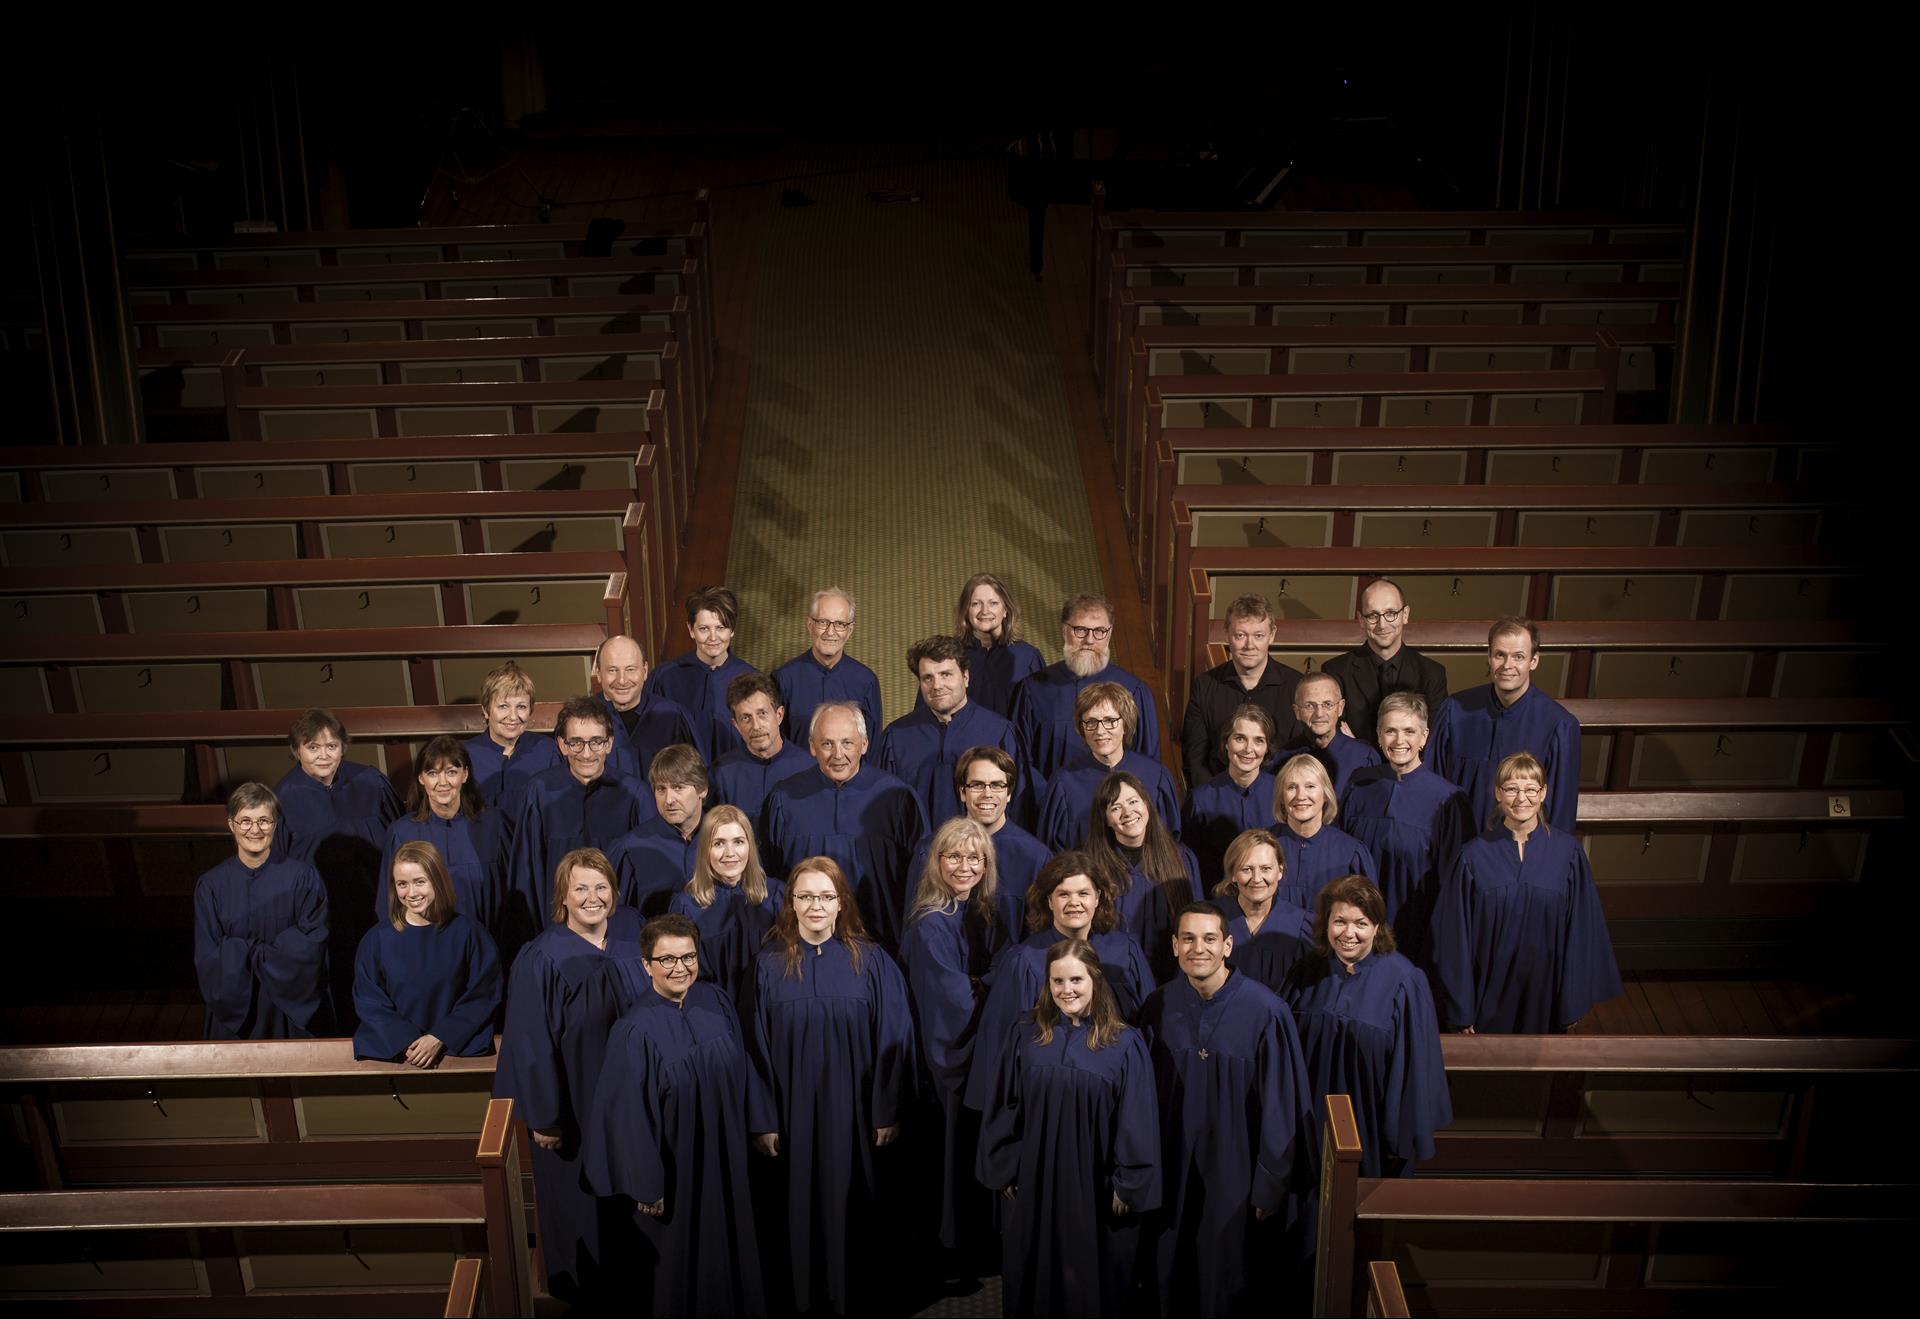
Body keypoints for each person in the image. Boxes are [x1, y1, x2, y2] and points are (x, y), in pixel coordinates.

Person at [746, 858, 916, 1317]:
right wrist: (763, 1119)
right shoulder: (768, 966)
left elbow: (894, 1039)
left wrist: (885, 1109)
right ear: (791, 904)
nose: (815, 905)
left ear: (841, 903)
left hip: (857, 1116)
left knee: (856, 1206)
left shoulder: (873, 962)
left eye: (825, 896)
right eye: (805, 896)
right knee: (797, 1212)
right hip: (792, 1117)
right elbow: (754, 1048)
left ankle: (857, 1300)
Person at [582, 913, 765, 1318]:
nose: (680, 968)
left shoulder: (714, 1000)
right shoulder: (634, 1030)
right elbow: (628, 1115)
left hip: (724, 1150)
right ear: (646, 965)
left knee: (730, 1241)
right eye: (667, 960)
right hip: (676, 1164)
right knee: (681, 1260)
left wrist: (761, 1122)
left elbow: (743, 1063)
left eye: (688, 958)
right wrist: (646, 1183)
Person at [1139, 904, 1311, 1319]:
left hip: (1236, 1166)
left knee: (1230, 1273)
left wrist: (1270, 1181)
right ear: (1175, 945)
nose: (1199, 948)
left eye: (1210, 939)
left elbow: (1281, 1104)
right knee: (1170, 1266)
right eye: (1189, 939)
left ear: (1227, 945)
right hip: (1173, 1161)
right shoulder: (1157, 1006)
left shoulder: (1266, 1011)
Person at [493, 847, 646, 1306]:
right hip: (573, 1108)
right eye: (580, 888)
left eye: (601, 887)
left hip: (629, 1105)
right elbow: (529, 1041)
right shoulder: (540, 957)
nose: (592, 897)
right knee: (579, 1209)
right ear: (563, 896)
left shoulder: (632, 945)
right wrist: (543, 1116)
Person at [976, 939, 1161, 1319]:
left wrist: (1129, 1181)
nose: (1067, 990)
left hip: (1094, 1186)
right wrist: (1006, 1164)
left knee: (1089, 1281)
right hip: (1034, 1179)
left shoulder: (1124, 1043)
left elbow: (1136, 1119)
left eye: (1076, 980)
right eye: (1057, 982)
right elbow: (1004, 1105)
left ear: (1095, 980)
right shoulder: (1026, 1033)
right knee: (1030, 1273)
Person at [1431, 752, 1622, 1034]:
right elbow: (1454, 937)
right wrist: (1462, 1008)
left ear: (1543, 793)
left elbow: (1581, 929)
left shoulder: (1567, 853)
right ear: (1497, 792)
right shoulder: (1473, 856)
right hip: (1487, 992)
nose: (1522, 798)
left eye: (1531, 789)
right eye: (1511, 789)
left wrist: (1572, 1000)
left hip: (1546, 993)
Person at [898, 817, 1012, 1269]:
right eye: (954, 856)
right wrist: (988, 988)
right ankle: (955, 1250)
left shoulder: (982, 912)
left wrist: (985, 983)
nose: (964, 866)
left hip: (981, 1052)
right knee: (951, 1151)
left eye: (974, 857)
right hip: (950, 1057)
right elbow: (952, 999)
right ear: (936, 861)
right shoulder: (930, 923)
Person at [1283, 875, 1451, 1179]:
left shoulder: (1404, 981)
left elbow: (1414, 1069)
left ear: (1377, 927)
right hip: (1307, 1124)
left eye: (1361, 923)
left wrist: (1397, 1139)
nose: (1349, 933)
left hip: (1371, 1126)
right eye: (1339, 922)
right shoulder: (1306, 972)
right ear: (1326, 924)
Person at [963, 854, 1156, 1112]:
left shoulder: (1125, 951)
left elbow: (1146, 1024)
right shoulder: (1025, 961)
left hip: (1114, 1089)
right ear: (1049, 901)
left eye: (1083, 893)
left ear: (1098, 897)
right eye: (1063, 894)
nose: (1074, 903)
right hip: (1048, 1095)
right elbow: (1001, 1043)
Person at [759, 702, 927, 952]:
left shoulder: (897, 797)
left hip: (882, 941)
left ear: (865, 744)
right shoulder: (784, 799)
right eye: (827, 743)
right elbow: (770, 875)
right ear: (812, 747)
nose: (838, 754)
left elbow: (920, 878)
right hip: (803, 944)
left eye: (847, 742)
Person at [273, 708, 402, 1027]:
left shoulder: (370, 780)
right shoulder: (283, 797)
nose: (323, 755)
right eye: (313, 747)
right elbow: (278, 864)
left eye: (331, 746)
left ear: (343, 747)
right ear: (296, 751)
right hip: (321, 907)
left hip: (374, 899)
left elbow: (401, 833)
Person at [506, 696, 653, 965]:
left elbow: (644, 878)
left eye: (596, 741)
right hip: (556, 934)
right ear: (562, 745)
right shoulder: (539, 793)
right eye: (576, 742)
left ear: (609, 743)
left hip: (618, 938)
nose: (586, 753)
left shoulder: (634, 795)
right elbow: (526, 873)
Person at [1341, 694, 1471, 969]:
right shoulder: (1359, 785)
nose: (1400, 741)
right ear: (1378, 736)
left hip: (1417, 927)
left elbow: (1451, 883)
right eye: (1391, 731)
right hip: (1357, 925)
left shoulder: (1448, 799)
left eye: (1409, 731)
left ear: (1425, 737)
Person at [193, 782, 332, 1039]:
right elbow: (207, 954)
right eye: (245, 821)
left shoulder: (303, 877)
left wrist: (245, 953)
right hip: (235, 1004)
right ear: (231, 825)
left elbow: (312, 941)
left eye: (264, 821)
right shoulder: (211, 885)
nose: (255, 830)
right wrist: (264, 955)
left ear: (275, 825)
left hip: (289, 1004)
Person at [351, 840, 501, 1063]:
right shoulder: (377, 940)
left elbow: (483, 994)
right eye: (402, 884)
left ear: (437, 881)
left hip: (455, 1052)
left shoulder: (469, 934)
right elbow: (369, 1000)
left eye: (419, 882)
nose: (411, 893)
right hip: (396, 1054)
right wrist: (406, 1040)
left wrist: (440, 1036)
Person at [1428, 616, 1580, 833]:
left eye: (1518, 656)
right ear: (1489, 657)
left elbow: (1560, 814)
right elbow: (1432, 787)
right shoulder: (1455, 711)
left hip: (1520, 854)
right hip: (1457, 848)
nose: (1508, 666)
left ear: (1534, 661)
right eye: (1500, 655)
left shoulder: (1559, 725)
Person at [1009, 592, 1161, 797]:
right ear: (1064, 630)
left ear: (1110, 633)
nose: (1089, 639)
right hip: (1050, 806)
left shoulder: (1134, 691)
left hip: (1116, 808)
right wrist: (1051, 798)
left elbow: (1147, 762)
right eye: (1080, 630)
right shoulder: (1033, 690)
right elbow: (1019, 758)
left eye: (1099, 631)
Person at [877, 634, 1021, 830]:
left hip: (982, 852)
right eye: (928, 678)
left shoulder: (999, 733)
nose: (937, 686)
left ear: (965, 677)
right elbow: (886, 812)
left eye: (946, 674)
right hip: (916, 854)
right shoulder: (897, 737)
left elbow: (1017, 809)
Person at [908, 747, 1052, 939]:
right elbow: (914, 928)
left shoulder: (1035, 858)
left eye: (997, 785)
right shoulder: (931, 850)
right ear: (962, 792)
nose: (987, 794)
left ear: (1009, 793)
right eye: (977, 785)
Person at [376, 736, 507, 939]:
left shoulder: (492, 825)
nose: (442, 782)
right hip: (424, 947)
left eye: (451, 772)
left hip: (487, 942)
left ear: (465, 775)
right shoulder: (402, 833)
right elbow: (389, 902)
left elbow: (511, 893)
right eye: (432, 773)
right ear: (421, 778)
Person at [1086, 771, 1203, 983]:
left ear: (1147, 805)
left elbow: (1197, 923)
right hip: (1113, 980)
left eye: (1133, 801)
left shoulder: (1182, 859)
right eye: (1115, 807)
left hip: (1172, 978)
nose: (1127, 812)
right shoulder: (1092, 867)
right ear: (1105, 820)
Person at [1035, 682, 1180, 851]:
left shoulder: (1157, 776)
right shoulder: (1064, 783)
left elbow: (1171, 841)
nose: (1100, 731)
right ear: (1082, 729)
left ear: (1125, 725)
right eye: (1091, 722)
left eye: (1110, 721)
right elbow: (1051, 850)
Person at [668, 805, 784, 1012]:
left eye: (738, 842)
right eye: (719, 843)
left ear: (750, 846)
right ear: (705, 850)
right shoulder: (686, 905)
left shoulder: (776, 896)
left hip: (770, 1006)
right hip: (712, 1010)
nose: (730, 853)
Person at [1180, 594, 1302, 784]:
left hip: (1279, 800)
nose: (1249, 645)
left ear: (1272, 635)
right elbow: (1194, 760)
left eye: (1258, 636)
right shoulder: (1204, 685)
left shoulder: (1296, 686)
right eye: (1240, 635)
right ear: (1227, 634)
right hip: (1218, 799)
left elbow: (1300, 758)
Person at [1322, 578, 1450, 748]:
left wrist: (1358, 746)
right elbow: (1334, 738)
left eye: (1390, 613)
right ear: (1361, 619)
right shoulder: (1335, 671)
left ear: (1405, 615)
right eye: (1373, 615)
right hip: (1355, 772)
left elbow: (1434, 738)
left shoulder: (1432, 673)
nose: (1382, 625)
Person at [643, 586, 759, 761]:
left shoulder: (753, 680)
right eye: (704, 629)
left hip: (735, 777)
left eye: (721, 628)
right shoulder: (664, 678)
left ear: (732, 630)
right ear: (691, 629)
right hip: (681, 781)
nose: (713, 637)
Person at [772, 587, 883, 747]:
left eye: (839, 624)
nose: (830, 632)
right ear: (810, 625)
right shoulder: (783, 679)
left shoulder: (866, 681)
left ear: (849, 630)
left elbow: (872, 747)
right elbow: (776, 743)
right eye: (823, 622)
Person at [1210, 827, 1317, 993]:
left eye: (1266, 869)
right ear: (1232, 875)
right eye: (1246, 869)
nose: (1257, 879)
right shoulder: (1210, 921)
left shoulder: (1303, 927)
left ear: (1280, 872)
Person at [608, 744, 709, 919]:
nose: (669, 800)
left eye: (678, 787)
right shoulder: (630, 849)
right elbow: (620, 919)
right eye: (661, 789)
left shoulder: (726, 840)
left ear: (702, 789)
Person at [1181, 704, 1279, 884]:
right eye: (1240, 738)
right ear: (1226, 743)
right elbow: (1189, 862)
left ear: (1267, 748)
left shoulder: (1282, 794)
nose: (1249, 749)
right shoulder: (1200, 799)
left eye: (1259, 741)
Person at [1272, 753, 1380, 905]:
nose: (1301, 795)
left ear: (1325, 795)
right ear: (1282, 797)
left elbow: (1369, 917)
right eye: (1291, 787)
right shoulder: (1262, 846)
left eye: (1310, 786)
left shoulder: (1351, 853)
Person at [593, 633, 697, 783]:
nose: (622, 680)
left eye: (630, 669)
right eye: (612, 670)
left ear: (645, 670)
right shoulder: (583, 720)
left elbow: (695, 780)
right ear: (598, 673)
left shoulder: (673, 717)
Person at [709, 673, 814, 822]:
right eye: (746, 718)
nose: (756, 726)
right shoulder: (720, 773)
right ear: (736, 725)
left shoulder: (809, 768)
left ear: (779, 715)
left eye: (762, 714)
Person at [464, 660, 560, 807]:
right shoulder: (465, 755)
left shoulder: (548, 750)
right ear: (486, 710)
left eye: (521, 706)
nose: (513, 716)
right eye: (503, 706)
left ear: (530, 711)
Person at [954, 571, 1045, 717]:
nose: (985, 611)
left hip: (1012, 739)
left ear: (1005, 610)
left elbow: (1041, 713)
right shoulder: (950, 656)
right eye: (976, 604)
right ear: (966, 611)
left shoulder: (1028, 657)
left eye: (993, 603)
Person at [1285, 671, 1381, 800]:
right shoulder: (1282, 759)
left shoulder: (1364, 757)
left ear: (1340, 708)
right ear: (1297, 711)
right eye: (1309, 706)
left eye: (1328, 704)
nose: (1319, 713)